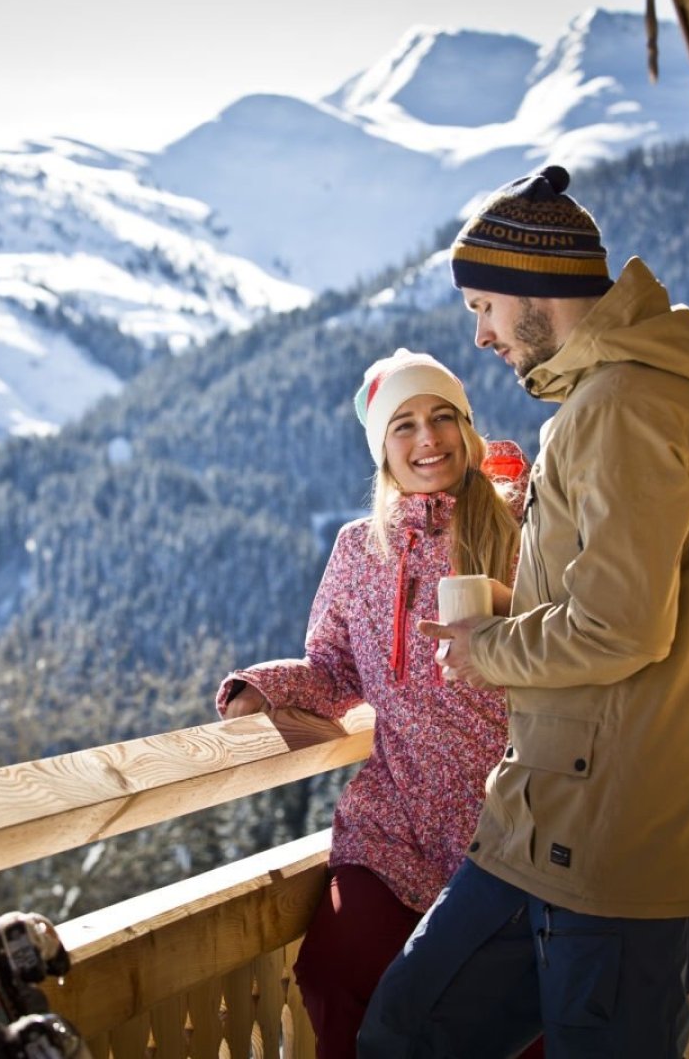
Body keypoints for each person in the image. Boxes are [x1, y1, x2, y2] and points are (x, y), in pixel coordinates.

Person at [357, 164, 689, 1059]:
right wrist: (516, 609)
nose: (485, 335)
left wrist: (488, 646)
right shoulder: (611, 401)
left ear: (537, 291)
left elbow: (620, 627)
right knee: (409, 1029)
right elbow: (611, 599)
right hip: (544, 821)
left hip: (616, 835)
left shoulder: (625, 406)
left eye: (485, 307)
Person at [216, 349, 532, 1059]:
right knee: (337, 973)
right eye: (405, 425)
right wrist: (265, 688)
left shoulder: (518, 531)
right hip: (394, 818)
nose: (428, 439)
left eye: (443, 417)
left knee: (507, 1017)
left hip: (505, 820)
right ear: (382, 450)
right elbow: (334, 670)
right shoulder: (360, 549)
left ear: (468, 427)